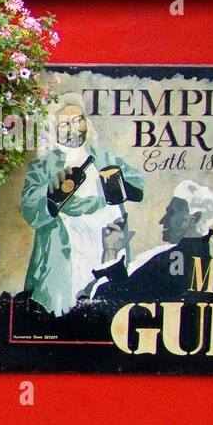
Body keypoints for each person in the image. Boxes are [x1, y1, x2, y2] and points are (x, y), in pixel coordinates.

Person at [19, 98, 145, 316]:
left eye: (79, 120)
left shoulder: (103, 157)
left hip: (106, 245)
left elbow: (138, 186)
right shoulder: (43, 166)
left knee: (106, 308)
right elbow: (29, 210)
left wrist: (119, 185)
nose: (74, 128)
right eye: (65, 124)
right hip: (67, 254)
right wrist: (51, 193)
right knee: (67, 314)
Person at [90, 181, 213, 304]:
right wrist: (112, 251)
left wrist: (110, 252)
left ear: (195, 218)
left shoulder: (172, 260)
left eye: (171, 212)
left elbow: (117, 299)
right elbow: (133, 292)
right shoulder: (204, 257)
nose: (162, 221)